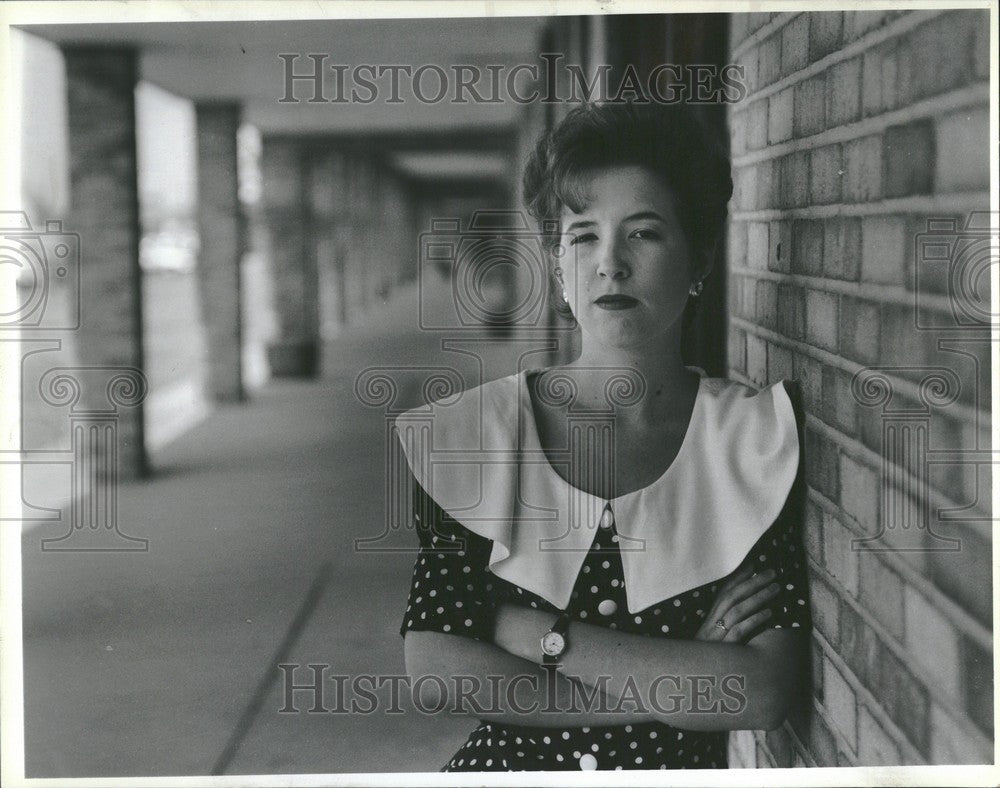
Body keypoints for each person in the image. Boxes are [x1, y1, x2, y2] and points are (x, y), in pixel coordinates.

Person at [397, 100, 811, 771]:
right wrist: (680, 683)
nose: (610, 264)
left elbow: (760, 689)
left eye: (644, 234)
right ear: (558, 265)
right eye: (583, 236)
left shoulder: (753, 441)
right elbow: (439, 669)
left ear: (700, 255)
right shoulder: (478, 436)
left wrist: (539, 635)